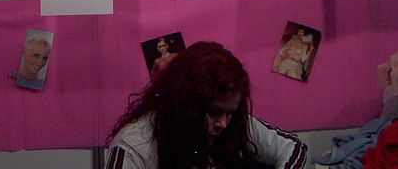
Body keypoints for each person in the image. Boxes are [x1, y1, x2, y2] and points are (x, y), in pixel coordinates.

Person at [106, 41, 307, 169]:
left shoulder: (234, 125)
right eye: (214, 112)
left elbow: (293, 148)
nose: (223, 124)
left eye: (229, 113)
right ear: (183, 103)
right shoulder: (134, 146)